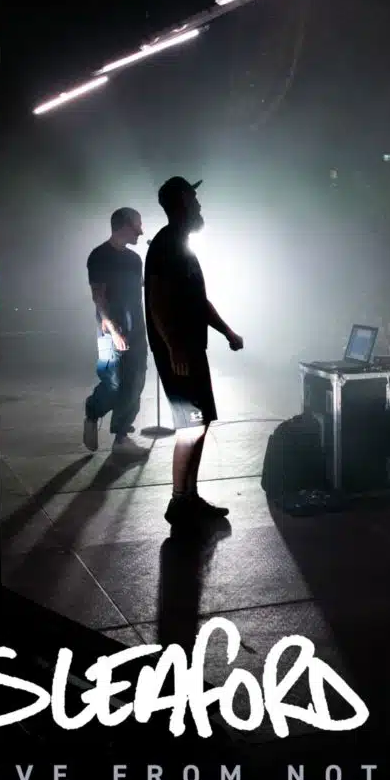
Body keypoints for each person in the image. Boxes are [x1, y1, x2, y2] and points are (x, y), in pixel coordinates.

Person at [145, 177, 243, 524]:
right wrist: (173, 346)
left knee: (200, 422)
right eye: (194, 198)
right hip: (180, 353)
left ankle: (190, 496)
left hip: (190, 348)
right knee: (191, 424)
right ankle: (178, 501)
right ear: (183, 201)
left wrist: (227, 331)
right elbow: (156, 298)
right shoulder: (166, 243)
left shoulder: (182, 245)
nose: (199, 205)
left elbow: (199, 301)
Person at [83, 207, 150, 458]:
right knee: (114, 383)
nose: (141, 231)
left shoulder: (135, 259)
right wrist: (113, 330)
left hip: (137, 330)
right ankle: (93, 411)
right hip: (111, 331)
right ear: (124, 225)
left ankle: (121, 438)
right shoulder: (99, 256)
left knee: (135, 382)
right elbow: (98, 297)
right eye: (138, 225)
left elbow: (140, 288)